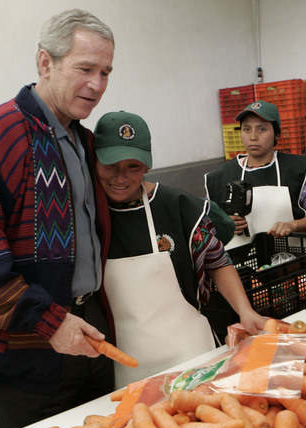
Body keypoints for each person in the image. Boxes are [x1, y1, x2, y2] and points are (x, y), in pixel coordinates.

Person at [0, 9, 116, 428]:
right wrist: (48, 320)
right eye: (85, 69)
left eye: (106, 72)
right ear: (45, 63)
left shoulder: (83, 140)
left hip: (87, 332)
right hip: (21, 346)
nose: (96, 85)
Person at [93, 111, 269, 388]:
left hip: (191, 354)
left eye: (133, 167)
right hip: (128, 367)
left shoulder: (177, 206)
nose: (120, 177)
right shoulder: (88, 214)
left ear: (147, 166)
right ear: (94, 162)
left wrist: (245, 311)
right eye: (110, 165)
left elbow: (217, 262)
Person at [205, 100, 306, 249]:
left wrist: (292, 225)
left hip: (293, 259)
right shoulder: (218, 177)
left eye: (261, 129)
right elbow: (207, 226)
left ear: (277, 134)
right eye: (247, 129)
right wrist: (226, 224)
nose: (253, 137)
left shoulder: (297, 168)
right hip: (241, 265)